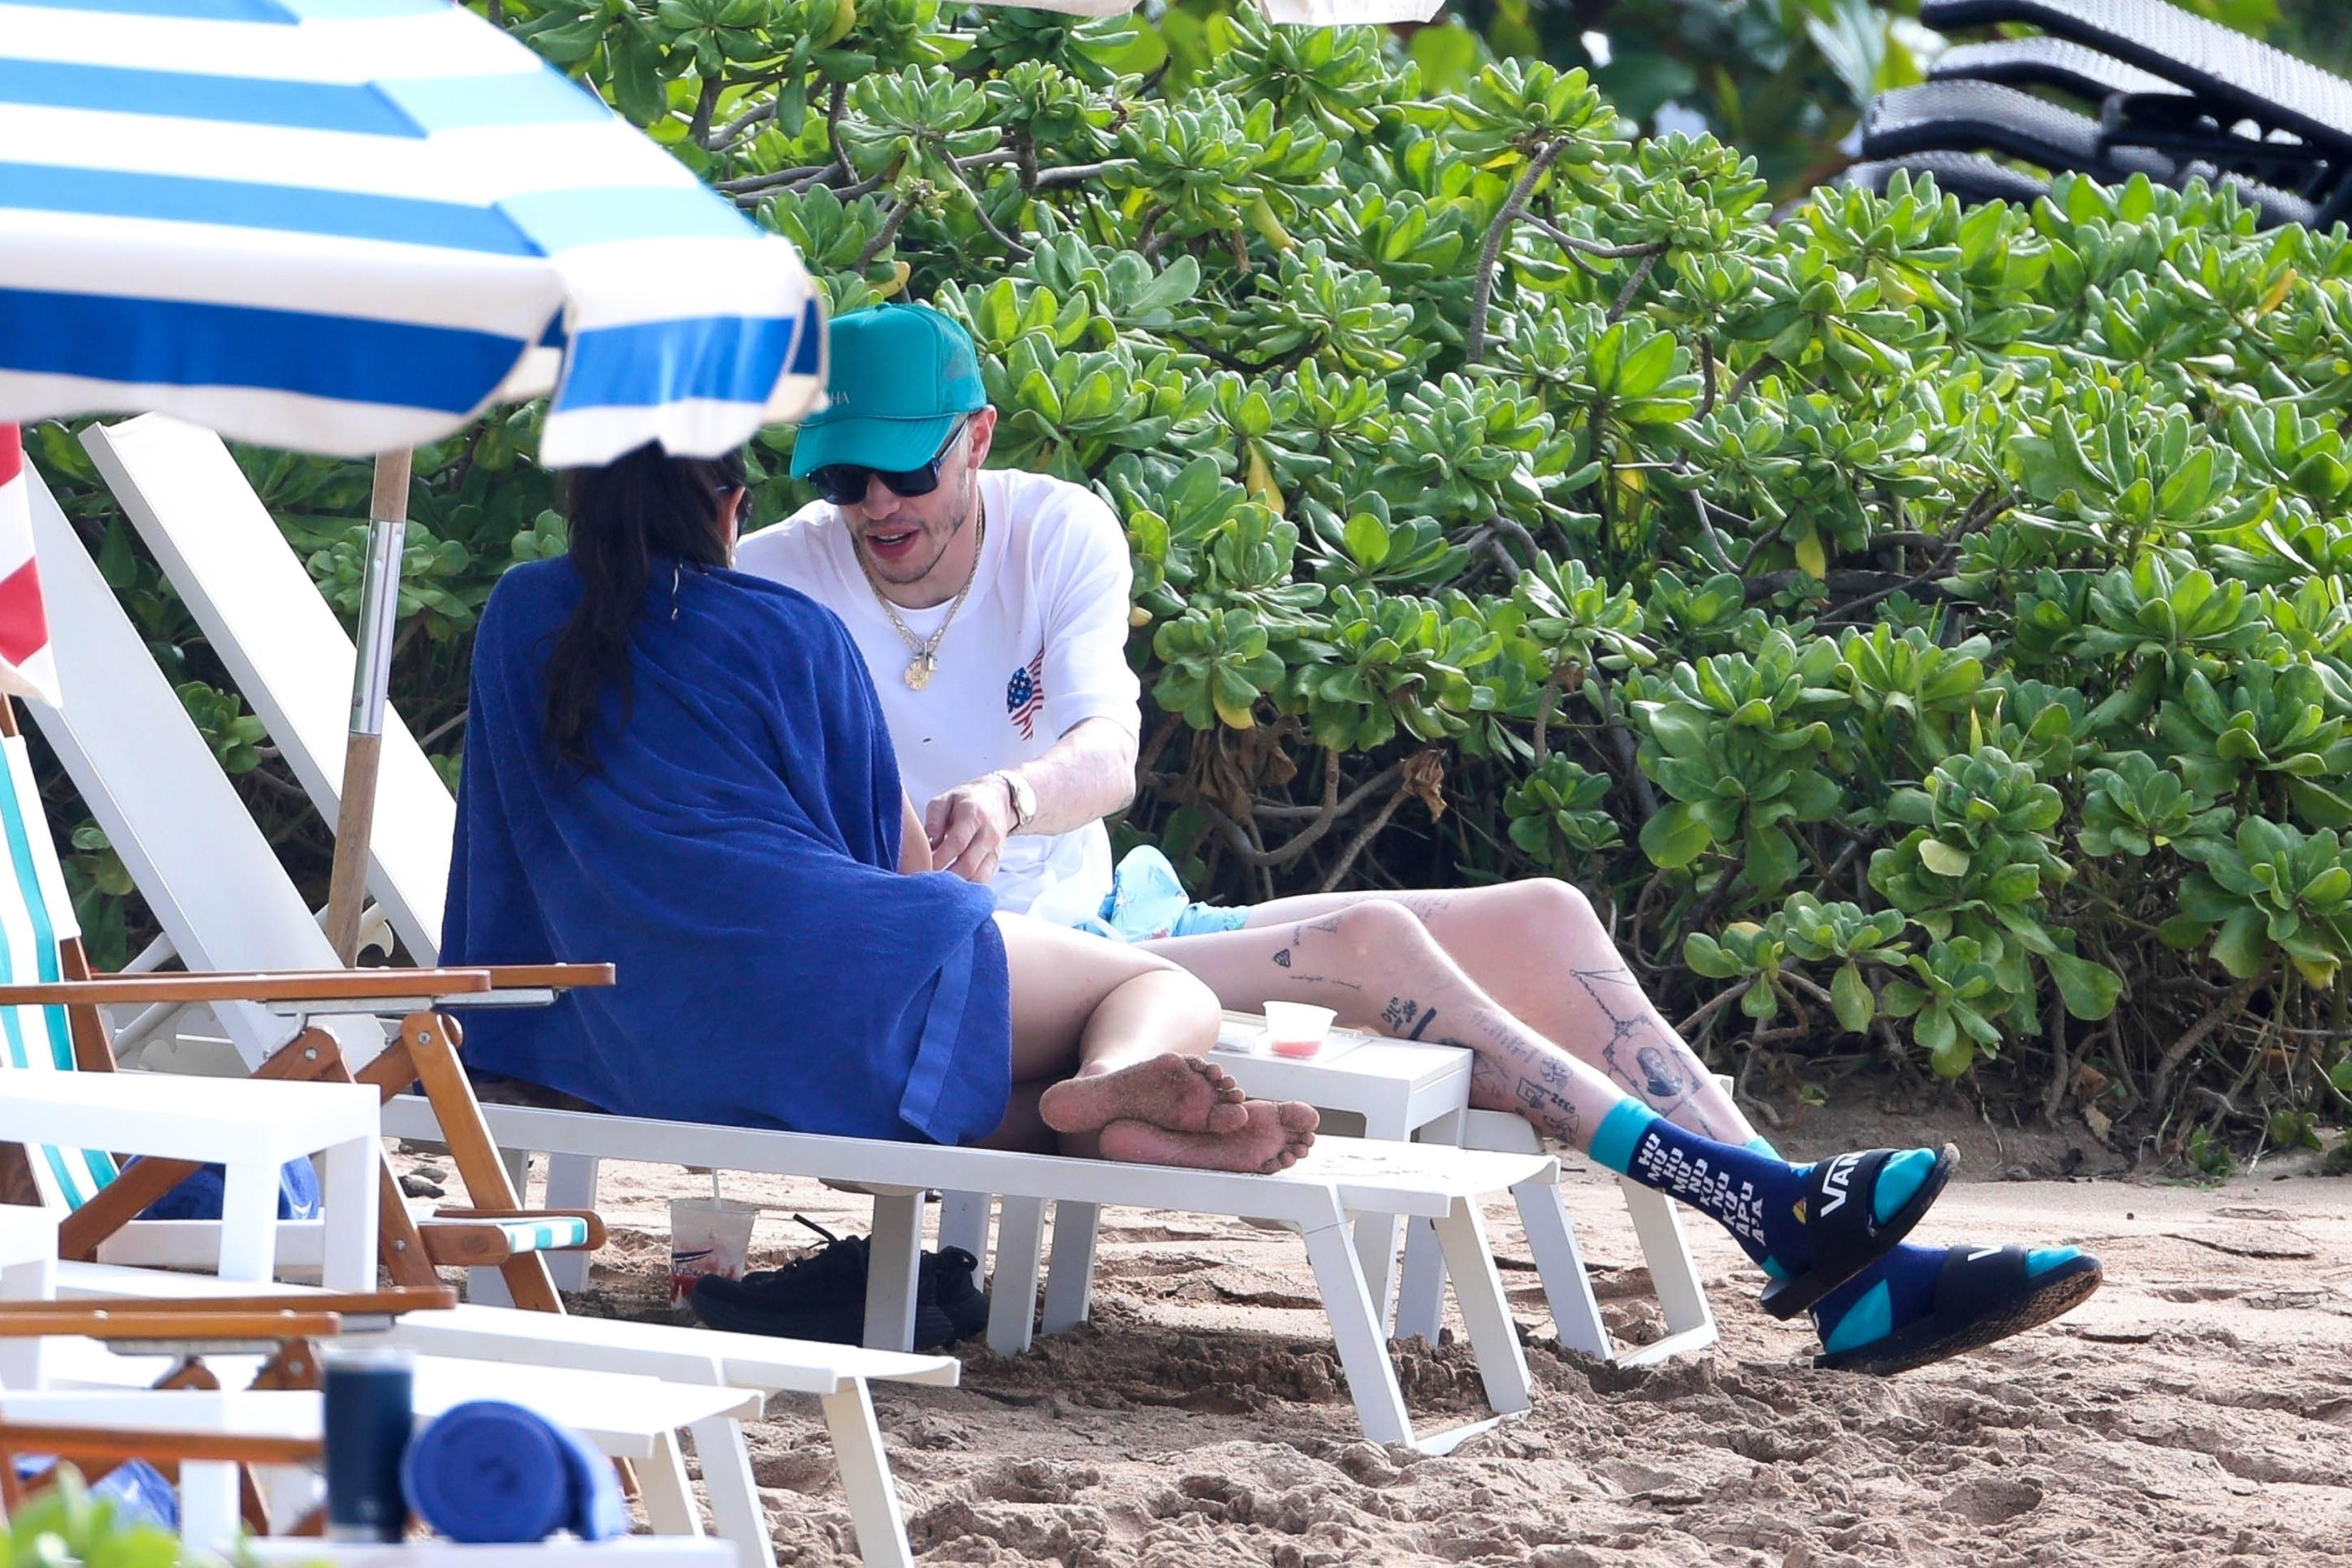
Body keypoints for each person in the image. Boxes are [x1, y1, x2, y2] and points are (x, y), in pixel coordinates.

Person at [736, 302, 2105, 1375]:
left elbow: (1109, 754)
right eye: (843, 478)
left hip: (1111, 922)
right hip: (1012, 969)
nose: (876, 508)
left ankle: (1829, 1260)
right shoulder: (781, 573)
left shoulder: (1057, 530)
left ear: (976, 437)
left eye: (902, 470)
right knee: (1372, 936)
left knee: (1549, 913)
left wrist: (1011, 797)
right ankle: (1781, 1214)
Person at [440, 440, 1323, 1176]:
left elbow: (493, 846)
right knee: (1155, 983)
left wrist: (501, 1038)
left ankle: (1106, 1124)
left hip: (625, 1034)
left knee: (962, 1092)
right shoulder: (790, 629)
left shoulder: (517, 613)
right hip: (811, 999)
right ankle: (1114, 1079)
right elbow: (900, 870)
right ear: (732, 509)